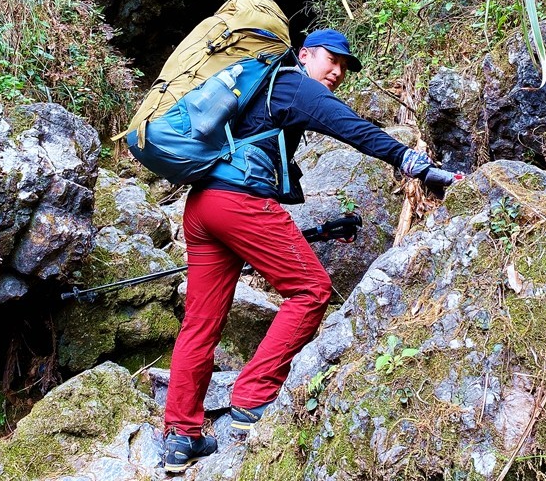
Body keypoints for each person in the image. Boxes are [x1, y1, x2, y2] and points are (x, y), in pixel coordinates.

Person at [162, 29, 458, 473]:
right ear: (304, 55)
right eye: (330, 60)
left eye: (344, 65)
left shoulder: (261, 86)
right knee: (312, 290)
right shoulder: (292, 83)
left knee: (201, 324)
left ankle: (180, 437)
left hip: (203, 205)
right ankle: (251, 399)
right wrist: (411, 162)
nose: (336, 71)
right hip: (238, 201)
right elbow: (350, 127)